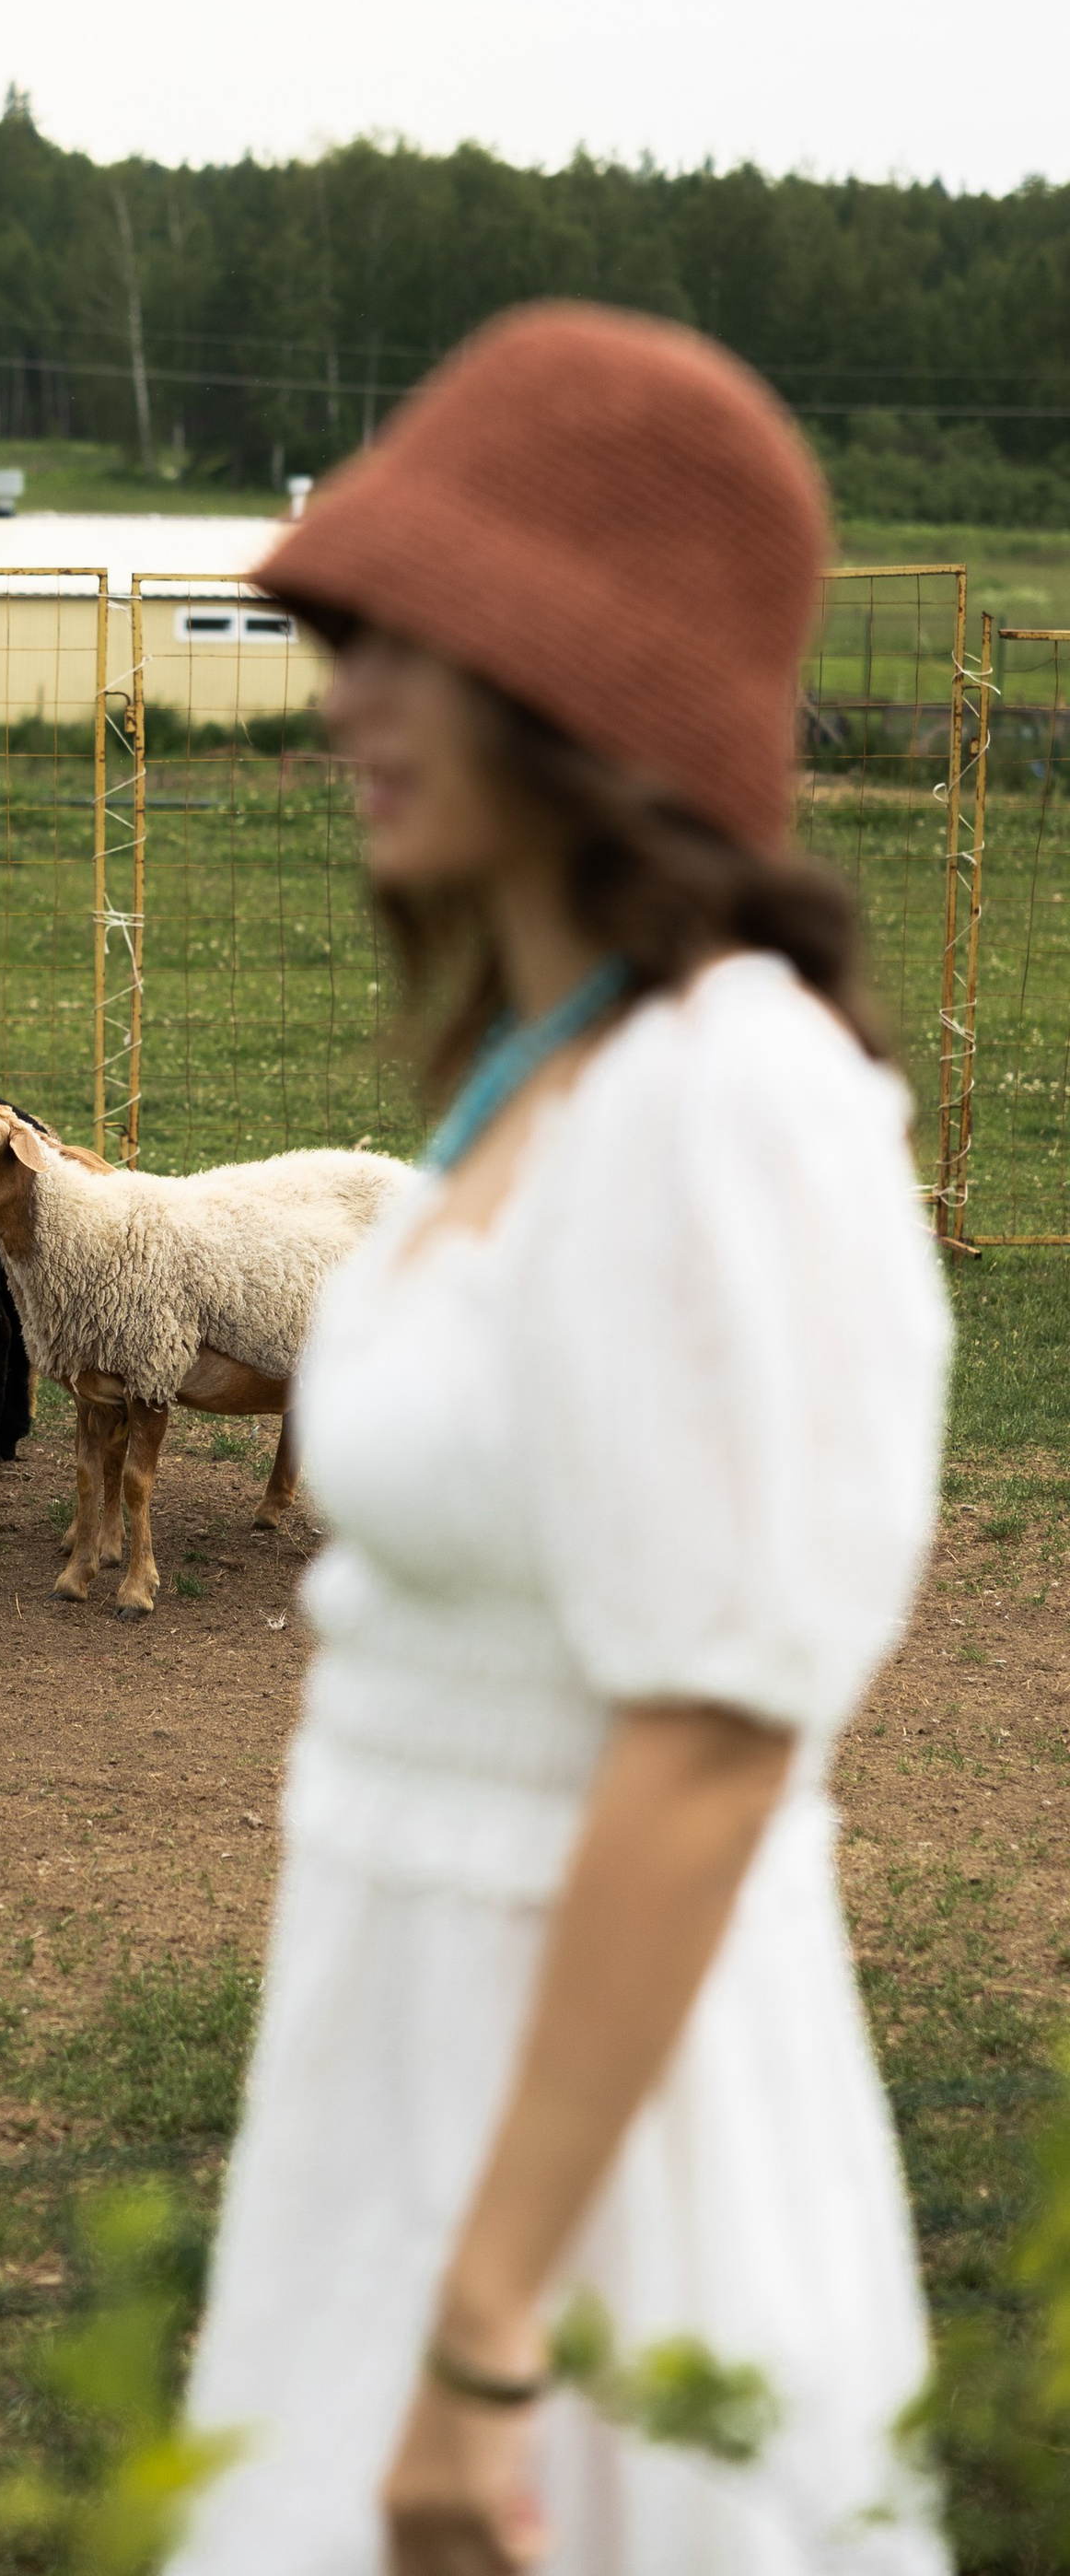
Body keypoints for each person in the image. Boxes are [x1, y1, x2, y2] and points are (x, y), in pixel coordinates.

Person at [169, 304, 950, 2576]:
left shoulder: (731, 1095)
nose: (347, 702)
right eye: (350, 641)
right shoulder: (541, 1080)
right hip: (398, 2062)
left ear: (586, 686)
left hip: (603, 2158)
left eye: (415, 646)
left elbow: (711, 1729)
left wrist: (488, 2329)